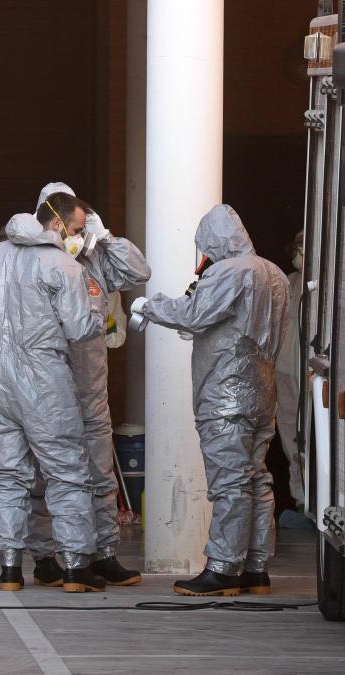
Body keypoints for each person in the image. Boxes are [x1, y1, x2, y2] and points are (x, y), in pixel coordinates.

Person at [136, 205, 288, 596]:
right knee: (257, 478)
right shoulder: (274, 274)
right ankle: (256, 568)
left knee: (229, 482)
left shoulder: (229, 271)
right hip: (262, 391)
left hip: (224, 392)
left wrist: (150, 306)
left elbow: (195, 315)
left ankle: (222, 569)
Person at [0, 196, 108, 593]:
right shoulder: (61, 265)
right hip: (43, 378)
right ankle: (74, 566)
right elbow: (81, 328)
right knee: (66, 470)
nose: (80, 237)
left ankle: (10, 568)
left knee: (6, 474)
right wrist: (98, 309)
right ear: (59, 224)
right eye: (78, 229)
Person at [23, 183, 151, 588]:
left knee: (99, 472)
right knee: (47, 476)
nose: (78, 235)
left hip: (91, 386)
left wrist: (105, 235)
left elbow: (138, 272)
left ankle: (104, 553)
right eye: (74, 227)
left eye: (84, 226)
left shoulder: (94, 259)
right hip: (48, 387)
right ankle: (46, 557)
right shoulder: (32, 261)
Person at [275, 231, 309, 526]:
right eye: (296, 247)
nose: (298, 253)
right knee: (291, 437)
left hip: (315, 379)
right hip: (286, 373)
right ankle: (301, 503)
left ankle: (322, 503)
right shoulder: (289, 282)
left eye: (303, 247)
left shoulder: (331, 287)